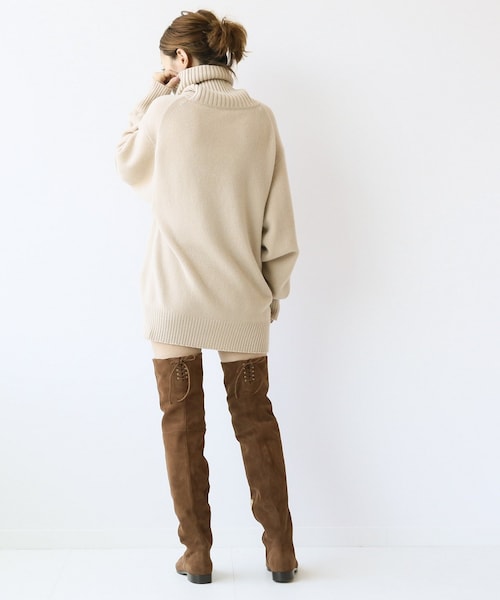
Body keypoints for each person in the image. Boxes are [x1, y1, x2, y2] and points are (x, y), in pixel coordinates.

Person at [115, 9, 299, 585]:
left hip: (173, 299)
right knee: (255, 420)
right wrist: (271, 295)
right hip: (241, 300)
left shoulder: (167, 113)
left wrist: (153, 93)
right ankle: (281, 552)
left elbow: (126, 159)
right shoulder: (261, 118)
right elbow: (279, 224)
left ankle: (196, 555)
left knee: (181, 424)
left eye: (166, 62)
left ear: (182, 59)